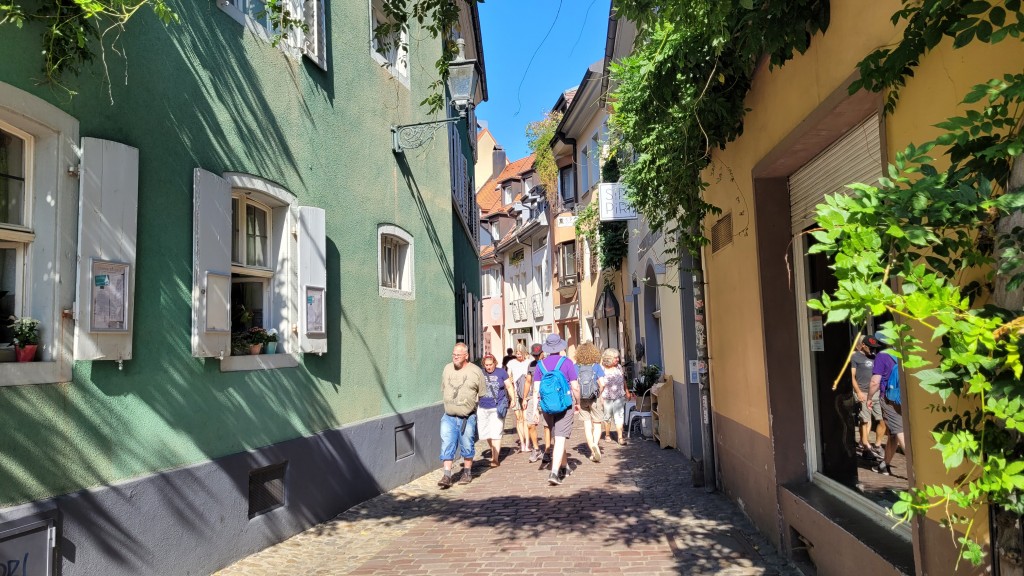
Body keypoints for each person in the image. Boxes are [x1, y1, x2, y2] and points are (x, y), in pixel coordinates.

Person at [532, 334, 580, 485]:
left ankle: (564, 466)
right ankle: (554, 473)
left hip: (547, 406)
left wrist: (535, 410)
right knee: (560, 438)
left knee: (556, 436)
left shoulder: (540, 365)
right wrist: (578, 401)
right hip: (564, 405)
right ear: (561, 347)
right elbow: (575, 386)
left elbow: (536, 390)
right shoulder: (567, 363)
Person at [438, 343, 486, 488]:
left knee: (467, 444)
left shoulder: (476, 371)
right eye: (454, 354)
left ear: (466, 355)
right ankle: (447, 475)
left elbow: (482, 394)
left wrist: (474, 410)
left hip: (467, 417)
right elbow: (443, 388)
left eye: (458, 354)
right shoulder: (447, 369)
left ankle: (467, 472)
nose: (455, 357)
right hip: (449, 416)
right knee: (447, 444)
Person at [867, 331, 904, 476]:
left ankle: (917, 473)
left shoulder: (882, 356)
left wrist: (870, 397)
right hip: (904, 399)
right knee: (893, 433)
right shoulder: (904, 354)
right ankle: (884, 464)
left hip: (890, 399)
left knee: (900, 432)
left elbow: (875, 382)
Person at [851, 335, 886, 461]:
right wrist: (858, 392)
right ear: (863, 345)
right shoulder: (855, 357)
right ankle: (866, 447)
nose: (872, 349)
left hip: (875, 393)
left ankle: (877, 445)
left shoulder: (875, 357)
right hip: (863, 392)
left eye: (874, 347)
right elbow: (852, 376)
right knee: (864, 420)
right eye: (870, 347)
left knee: (882, 420)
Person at [478, 354, 515, 467]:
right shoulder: (480, 373)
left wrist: (512, 398)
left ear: (495, 363)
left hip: (497, 406)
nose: (488, 367)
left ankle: (495, 459)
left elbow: (508, 386)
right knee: (486, 433)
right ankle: (493, 450)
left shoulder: (501, 372)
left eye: (490, 364)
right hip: (483, 406)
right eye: (486, 365)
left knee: (496, 432)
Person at [574, 342, 606, 462]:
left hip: (582, 399)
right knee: (597, 424)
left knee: (587, 425)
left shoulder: (576, 367)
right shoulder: (596, 366)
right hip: (595, 398)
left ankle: (593, 450)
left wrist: (577, 401)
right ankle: (595, 445)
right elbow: (602, 384)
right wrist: (599, 394)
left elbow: (575, 386)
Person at [599, 348, 631, 445]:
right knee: (607, 416)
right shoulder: (602, 368)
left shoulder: (619, 367)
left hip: (619, 395)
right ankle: (607, 434)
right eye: (615, 358)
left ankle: (620, 437)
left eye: (617, 357)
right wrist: (600, 397)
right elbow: (599, 384)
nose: (618, 359)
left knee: (619, 416)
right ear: (609, 359)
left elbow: (623, 379)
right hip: (606, 397)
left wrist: (626, 390)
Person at [505, 345, 533, 453]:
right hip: (515, 393)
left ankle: (527, 443)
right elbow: (508, 377)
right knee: (519, 418)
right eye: (517, 352)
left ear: (525, 352)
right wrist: (510, 380)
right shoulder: (511, 363)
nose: (518, 354)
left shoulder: (529, 362)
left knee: (526, 418)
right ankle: (522, 443)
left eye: (520, 352)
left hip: (526, 393)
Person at [524, 343, 545, 463]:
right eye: (534, 355)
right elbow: (528, 381)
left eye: (538, 355)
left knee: (548, 426)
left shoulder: (547, 364)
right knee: (530, 424)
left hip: (546, 397)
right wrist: (524, 397)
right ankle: (536, 449)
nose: (536, 357)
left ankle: (547, 449)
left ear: (543, 353)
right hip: (533, 396)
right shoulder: (531, 365)